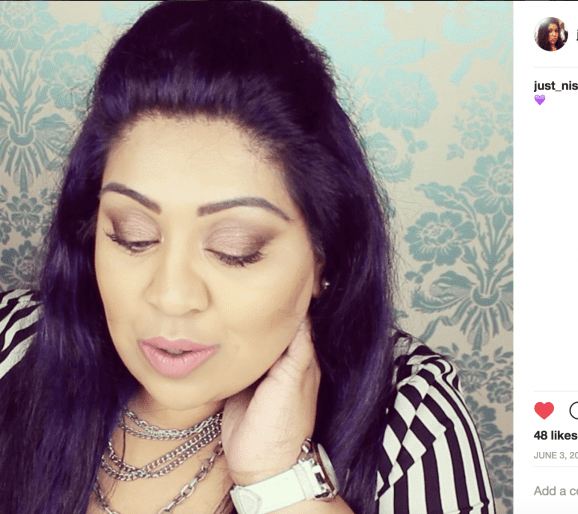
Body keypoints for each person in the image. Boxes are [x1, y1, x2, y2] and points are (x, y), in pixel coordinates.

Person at [0, 2, 494, 514]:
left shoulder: (411, 422)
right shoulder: (13, 342)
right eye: (134, 237)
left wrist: (279, 478)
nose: (171, 296)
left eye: (234, 251)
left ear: (324, 257)